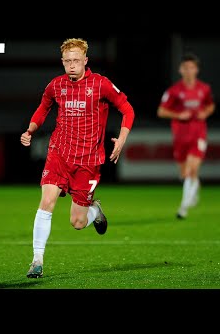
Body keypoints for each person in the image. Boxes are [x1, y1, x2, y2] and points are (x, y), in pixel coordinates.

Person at [20, 38, 135, 278]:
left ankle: (95, 211)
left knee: (78, 223)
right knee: (47, 200)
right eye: (67, 61)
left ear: (85, 61)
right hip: (59, 153)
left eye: (76, 60)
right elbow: (43, 109)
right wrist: (30, 130)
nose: (72, 65)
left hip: (88, 161)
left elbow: (127, 109)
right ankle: (37, 260)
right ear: (62, 62)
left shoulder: (101, 84)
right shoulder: (56, 85)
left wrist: (122, 139)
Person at [157, 52, 215, 219]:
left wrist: (205, 112)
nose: (189, 71)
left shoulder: (204, 89)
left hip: (198, 134)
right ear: (180, 70)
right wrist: (178, 115)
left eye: (192, 67)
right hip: (180, 136)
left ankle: (183, 208)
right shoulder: (174, 91)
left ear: (197, 70)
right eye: (186, 68)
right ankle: (194, 189)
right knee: (184, 174)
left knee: (191, 170)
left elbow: (210, 106)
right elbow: (161, 111)